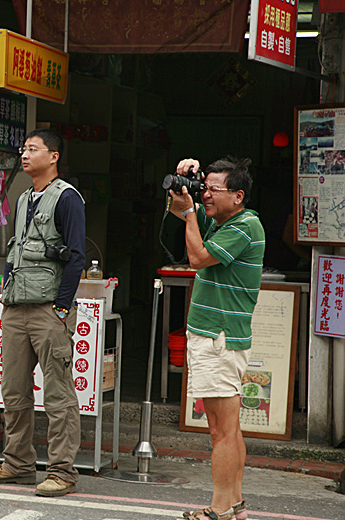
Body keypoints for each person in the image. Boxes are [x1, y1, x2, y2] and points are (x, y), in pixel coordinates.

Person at [0, 129, 87, 497]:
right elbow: (15, 250)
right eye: (23, 149)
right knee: (13, 391)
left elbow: (76, 257)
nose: (24, 155)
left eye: (33, 149)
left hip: (47, 310)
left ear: (53, 156)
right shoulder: (23, 197)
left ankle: (62, 471)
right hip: (16, 307)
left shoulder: (67, 198)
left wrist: (61, 306)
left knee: (58, 394)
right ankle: (18, 463)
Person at [169, 156, 264, 520]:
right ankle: (235, 505)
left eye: (214, 189)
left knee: (220, 432)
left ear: (238, 196)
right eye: (204, 187)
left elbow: (197, 256)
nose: (206, 195)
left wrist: (192, 214)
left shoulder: (242, 226)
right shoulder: (226, 220)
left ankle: (220, 508)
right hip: (220, 337)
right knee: (229, 428)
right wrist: (186, 182)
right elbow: (180, 209)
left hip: (218, 338)